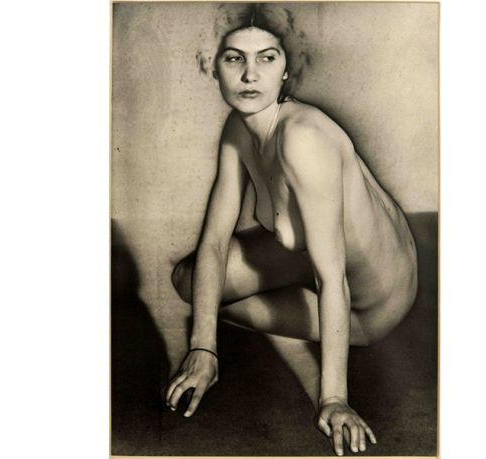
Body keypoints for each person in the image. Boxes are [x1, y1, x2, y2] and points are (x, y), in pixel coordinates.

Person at [165, 4, 418, 456]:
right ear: (212, 67)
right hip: (315, 258)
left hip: (372, 306)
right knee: (188, 280)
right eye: (234, 58)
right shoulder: (238, 128)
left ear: (286, 70)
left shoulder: (304, 138)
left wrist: (333, 399)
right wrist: (203, 348)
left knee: (216, 300)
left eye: (267, 58)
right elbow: (214, 242)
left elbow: (331, 277)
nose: (250, 74)